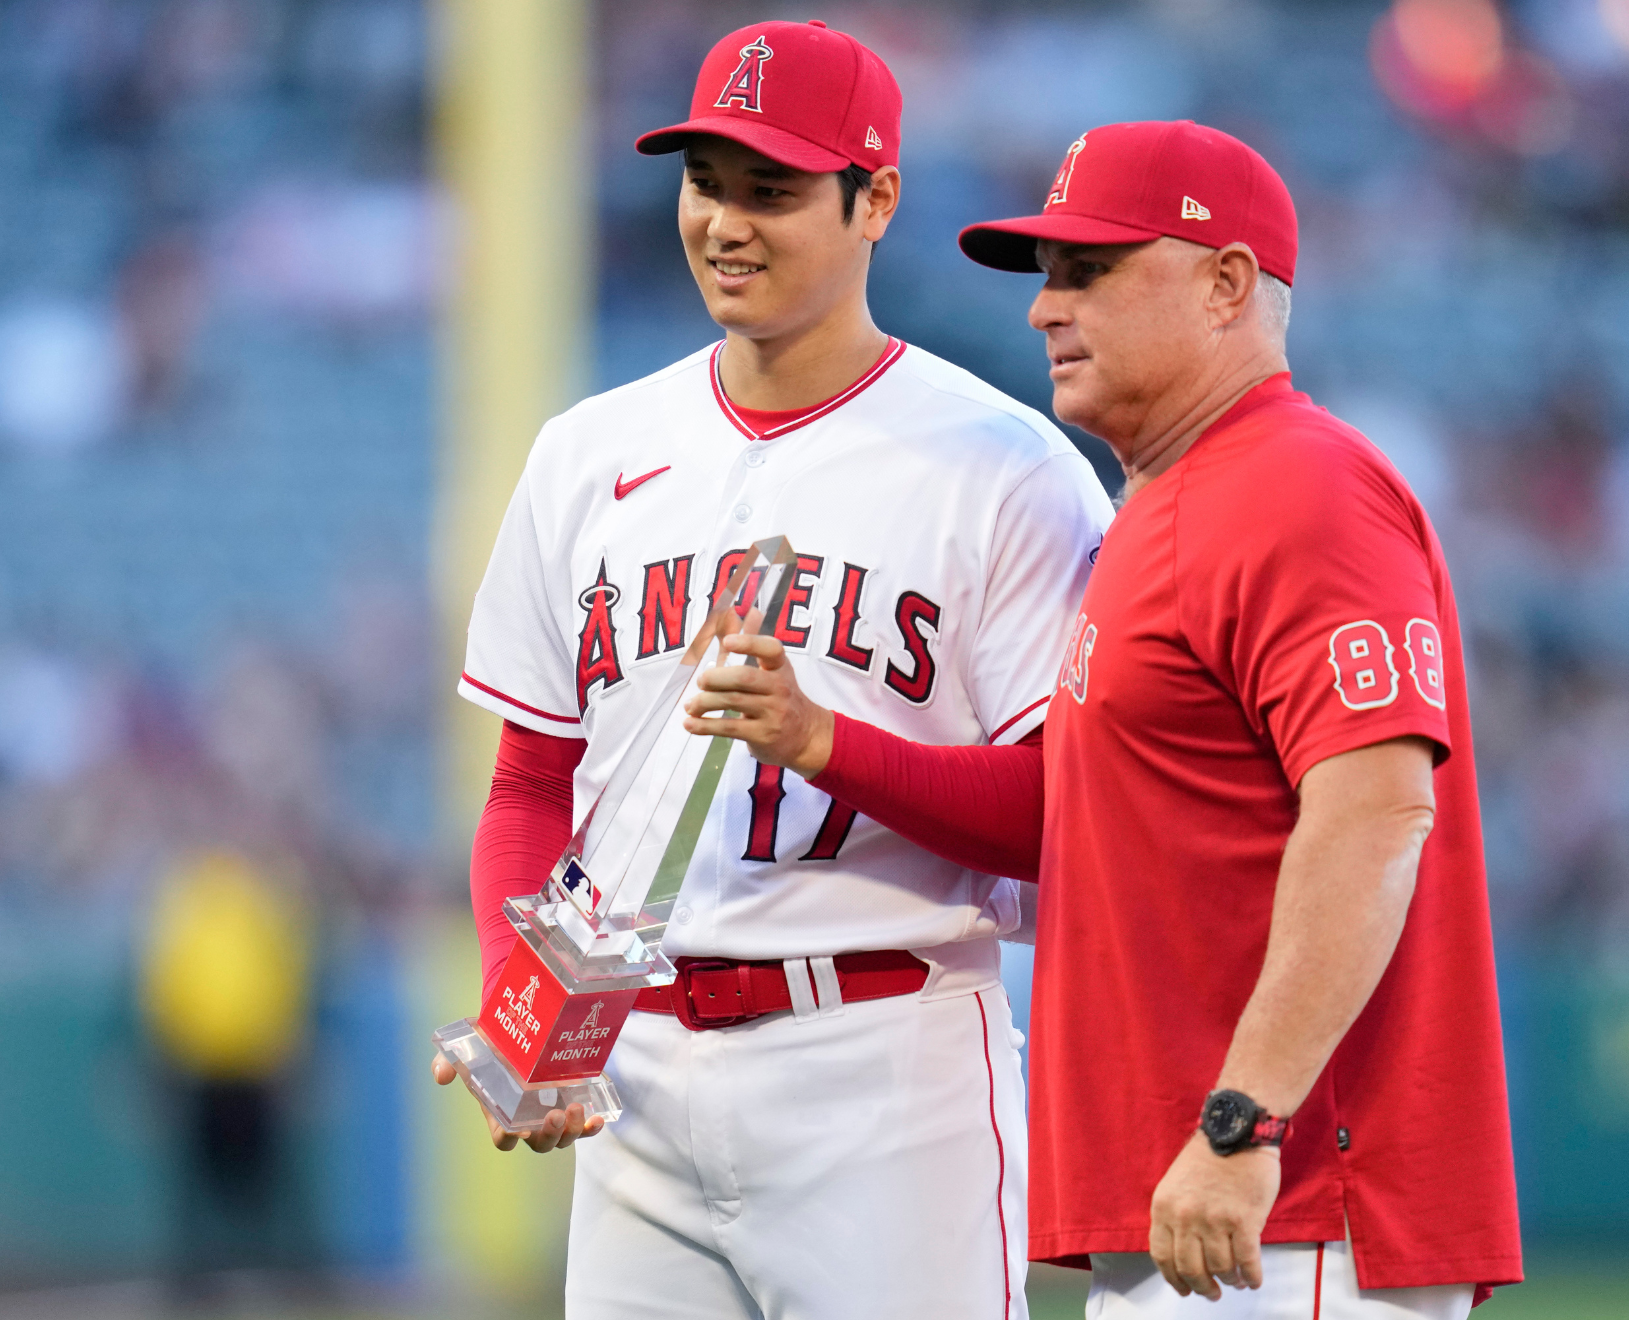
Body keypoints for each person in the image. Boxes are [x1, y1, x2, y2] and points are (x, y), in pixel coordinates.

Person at [695, 120, 1522, 1318]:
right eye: (1047, 275)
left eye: (1093, 270)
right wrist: (831, 743)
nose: (1046, 307)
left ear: (1228, 285)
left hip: (1284, 1214)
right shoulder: (1160, 506)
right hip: (1206, 1211)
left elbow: (1379, 810)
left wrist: (1245, 1121)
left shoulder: (1300, 484)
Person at [431, 22, 1112, 1319]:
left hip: (881, 1051)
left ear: (877, 201)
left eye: (774, 190)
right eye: (706, 182)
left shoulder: (1005, 468)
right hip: (633, 1070)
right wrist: (520, 1000)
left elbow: (1066, 818)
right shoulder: (588, 453)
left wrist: (828, 743)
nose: (726, 223)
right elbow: (530, 790)